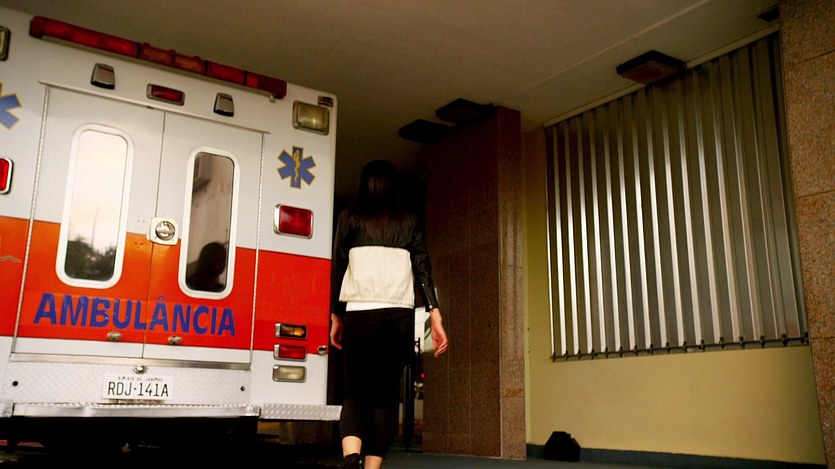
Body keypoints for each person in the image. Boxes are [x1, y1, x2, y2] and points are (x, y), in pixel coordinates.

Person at [330, 159, 449, 469]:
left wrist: (336, 315)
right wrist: (435, 313)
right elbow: (423, 269)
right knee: (384, 398)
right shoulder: (408, 221)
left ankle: (351, 459)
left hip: (359, 314)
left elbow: (338, 268)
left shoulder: (350, 217)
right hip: (398, 318)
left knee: (355, 394)